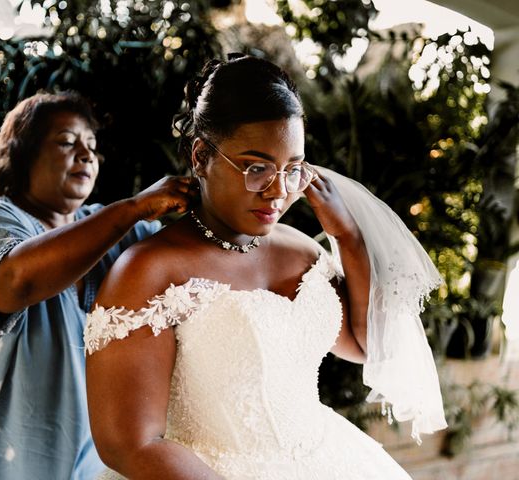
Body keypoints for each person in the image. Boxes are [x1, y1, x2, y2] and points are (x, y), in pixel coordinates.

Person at [83, 54, 448, 479]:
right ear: (201, 156)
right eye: (257, 168)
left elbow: (364, 344)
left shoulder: (302, 252)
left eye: (292, 169)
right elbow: (129, 445)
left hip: (328, 459)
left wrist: (347, 237)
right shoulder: (149, 271)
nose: (278, 191)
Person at [0, 91, 196, 480]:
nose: (85, 154)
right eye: (66, 142)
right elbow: (18, 280)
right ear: (23, 155)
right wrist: (134, 206)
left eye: (92, 146)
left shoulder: (118, 233)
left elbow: (195, 254)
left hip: (77, 463)